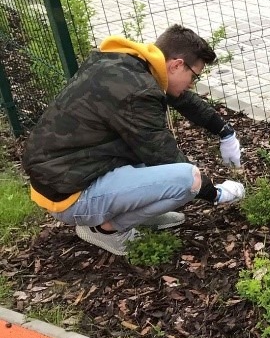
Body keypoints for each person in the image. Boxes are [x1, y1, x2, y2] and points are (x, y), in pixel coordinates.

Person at [22, 25, 247, 256]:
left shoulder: (124, 65)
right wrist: (215, 194)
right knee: (188, 180)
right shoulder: (137, 93)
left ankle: (138, 214)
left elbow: (183, 100)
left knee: (156, 165)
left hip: (63, 175)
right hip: (70, 195)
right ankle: (105, 229)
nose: (192, 84)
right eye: (194, 76)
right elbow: (165, 156)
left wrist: (225, 132)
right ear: (177, 65)